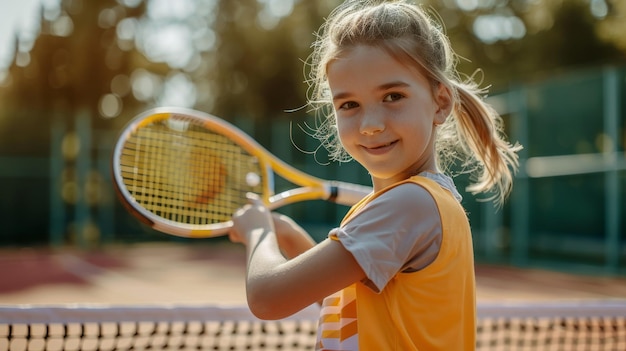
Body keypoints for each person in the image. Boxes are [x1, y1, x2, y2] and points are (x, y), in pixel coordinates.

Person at [228, 0, 522, 350]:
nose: (370, 125)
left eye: (393, 96)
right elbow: (345, 306)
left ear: (440, 103)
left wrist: (258, 232)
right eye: (349, 104)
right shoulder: (414, 204)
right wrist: (289, 236)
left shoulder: (409, 204)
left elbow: (268, 298)